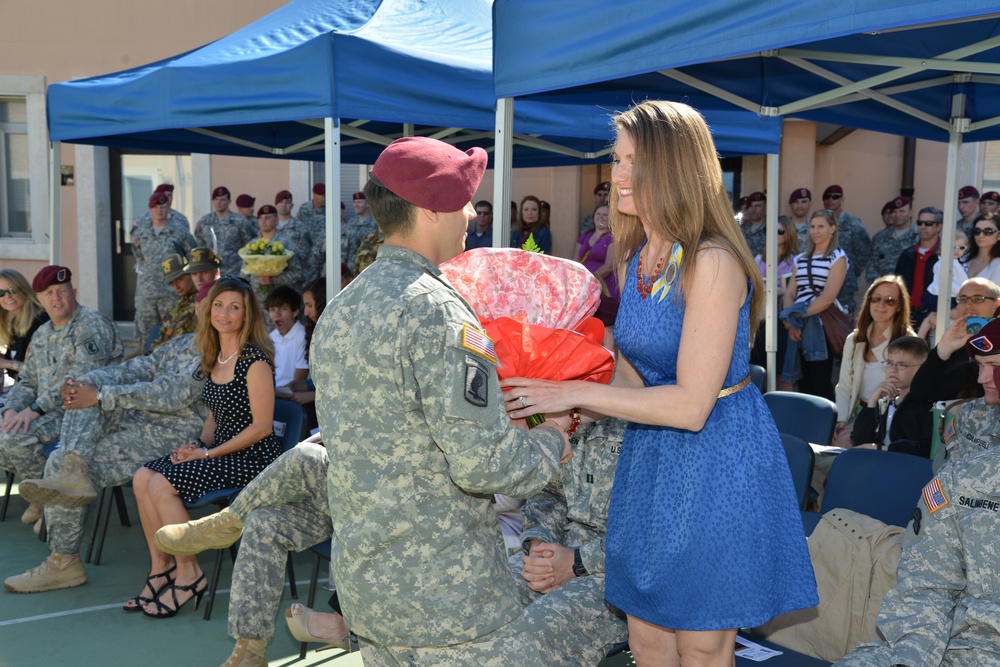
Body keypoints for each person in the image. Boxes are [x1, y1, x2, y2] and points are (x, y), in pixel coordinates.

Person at [504, 101, 817, 666]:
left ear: (673, 168)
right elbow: (631, 373)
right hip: (649, 455)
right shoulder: (635, 255)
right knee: (646, 636)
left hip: (715, 460)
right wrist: (559, 410)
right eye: (617, 160)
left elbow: (693, 404)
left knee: (700, 643)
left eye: (633, 163)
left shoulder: (714, 261)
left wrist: (573, 393)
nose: (617, 176)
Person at [310, 136, 571, 663]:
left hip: (370, 589)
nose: (471, 213)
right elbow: (482, 464)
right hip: (446, 600)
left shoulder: (340, 309)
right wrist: (553, 435)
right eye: (463, 199)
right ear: (430, 210)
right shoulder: (437, 312)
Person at [155, 419, 631, 667]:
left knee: (306, 462)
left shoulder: (550, 420)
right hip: (411, 508)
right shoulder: (490, 399)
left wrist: (569, 558)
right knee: (270, 517)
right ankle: (250, 643)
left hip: (458, 524)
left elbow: (516, 487)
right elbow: (546, 502)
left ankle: (343, 623)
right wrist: (539, 544)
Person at [835, 325, 1000, 666]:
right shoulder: (967, 467)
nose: (983, 378)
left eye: (994, 367)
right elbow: (930, 581)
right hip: (957, 641)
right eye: (980, 366)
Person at [4, 330, 206, 593]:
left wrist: (101, 395)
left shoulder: (220, 350)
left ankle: (64, 555)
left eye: (227, 305)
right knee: (66, 443)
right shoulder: (186, 339)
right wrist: (88, 382)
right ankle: (72, 477)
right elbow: (144, 365)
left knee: (61, 453)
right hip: (141, 418)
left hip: (177, 435)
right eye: (211, 304)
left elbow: (174, 394)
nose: (214, 311)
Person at [128, 276, 280, 618]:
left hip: (253, 458)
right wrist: (195, 447)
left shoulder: (254, 362)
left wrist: (207, 454)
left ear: (246, 315)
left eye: (234, 307)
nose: (224, 313)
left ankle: (189, 574)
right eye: (219, 305)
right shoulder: (214, 357)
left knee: (162, 484)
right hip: (219, 451)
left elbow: (261, 428)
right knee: (142, 476)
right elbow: (212, 420)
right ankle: (160, 567)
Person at [0, 266, 124, 528]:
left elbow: (80, 379)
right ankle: (46, 497)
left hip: (89, 413)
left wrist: (34, 409)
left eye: (61, 291)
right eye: (48, 294)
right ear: (40, 299)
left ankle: (46, 497)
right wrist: (11, 409)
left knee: (15, 439)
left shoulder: (91, 325)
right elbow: (28, 380)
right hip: (53, 413)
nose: (56, 298)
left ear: (73, 292)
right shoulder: (43, 333)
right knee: (5, 431)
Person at [782, 208, 849, 400]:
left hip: (820, 325)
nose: (815, 231)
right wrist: (790, 321)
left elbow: (827, 298)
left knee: (820, 381)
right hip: (798, 322)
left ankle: (825, 427)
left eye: (821, 226)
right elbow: (790, 293)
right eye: (812, 226)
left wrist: (795, 317)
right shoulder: (800, 258)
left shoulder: (838, 257)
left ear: (832, 229)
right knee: (801, 382)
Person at [835, 275, 914, 427]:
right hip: (857, 413)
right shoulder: (854, 339)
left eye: (890, 300)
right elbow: (844, 388)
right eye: (876, 298)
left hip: (892, 418)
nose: (881, 305)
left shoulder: (909, 341)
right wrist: (841, 420)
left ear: (899, 307)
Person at [909, 277, 1000, 405]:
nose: (968, 305)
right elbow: (921, 395)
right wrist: (943, 349)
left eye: (978, 298)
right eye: (962, 299)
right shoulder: (955, 346)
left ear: (997, 304)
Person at [848, 336, 931, 457]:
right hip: (877, 462)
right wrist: (871, 402)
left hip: (904, 468)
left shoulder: (927, 404)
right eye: (890, 363)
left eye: (902, 365)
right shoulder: (885, 400)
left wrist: (882, 449)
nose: (893, 370)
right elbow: (860, 441)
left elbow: (926, 448)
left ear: (922, 368)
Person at [131, 192, 196, 345]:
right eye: (156, 207)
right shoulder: (140, 233)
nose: (159, 210)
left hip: (172, 291)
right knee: (147, 335)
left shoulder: (180, 231)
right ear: (150, 209)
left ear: (168, 208)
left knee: (173, 333)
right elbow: (139, 257)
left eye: (163, 207)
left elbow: (192, 255)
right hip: (147, 292)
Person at [750, 215, 799, 381]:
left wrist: (777, 290)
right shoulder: (759, 258)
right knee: (760, 367)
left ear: (789, 233)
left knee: (781, 372)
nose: (775, 235)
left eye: (779, 231)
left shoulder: (796, 260)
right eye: (770, 231)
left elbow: (793, 291)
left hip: (784, 321)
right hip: (762, 320)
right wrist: (779, 290)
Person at [821, 185, 871, 316]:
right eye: (827, 197)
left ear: (842, 200)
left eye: (835, 197)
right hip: (819, 281)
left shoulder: (854, 224)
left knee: (843, 322)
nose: (831, 200)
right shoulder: (816, 224)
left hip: (845, 285)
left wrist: (850, 271)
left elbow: (864, 253)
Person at [194, 186, 258, 277]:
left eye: (222, 200)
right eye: (216, 199)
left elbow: (249, 246)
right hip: (211, 272)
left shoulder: (240, 221)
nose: (219, 203)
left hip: (235, 271)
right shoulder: (204, 222)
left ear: (229, 201)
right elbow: (200, 245)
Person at [919, 226, 969, 340]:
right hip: (941, 294)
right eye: (953, 247)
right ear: (943, 247)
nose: (957, 250)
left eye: (961, 247)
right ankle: (920, 338)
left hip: (954, 295)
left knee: (947, 317)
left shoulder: (958, 262)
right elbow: (947, 283)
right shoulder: (942, 264)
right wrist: (963, 292)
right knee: (932, 316)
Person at [895, 206, 942, 323]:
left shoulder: (945, 256)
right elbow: (896, 286)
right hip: (907, 315)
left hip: (934, 317)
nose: (923, 227)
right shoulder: (907, 255)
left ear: (939, 227)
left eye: (929, 223)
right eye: (920, 223)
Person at [0, 268, 48, 382]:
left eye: (12, 290)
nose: (7, 296)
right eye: (1, 293)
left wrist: (8, 363)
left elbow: (45, 370)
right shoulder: (15, 324)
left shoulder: (42, 321)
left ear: (24, 290)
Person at [150, 254, 198, 350]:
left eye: (179, 279)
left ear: (191, 274)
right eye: (171, 283)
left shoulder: (202, 303)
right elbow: (163, 337)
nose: (176, 287)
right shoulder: (174, 308)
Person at [264, 286, 308, 391]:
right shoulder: (271, 337)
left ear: (295, 312)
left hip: (292, 395)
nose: (277, 313)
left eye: (283, 309)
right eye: (272, 309)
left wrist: (277, 392)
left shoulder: (303, 336)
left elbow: (300, 380)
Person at [867, 196, 917, 285]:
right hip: (883, 289)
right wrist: (879, 285)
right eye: (894, 211)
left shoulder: (918, 236)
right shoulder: (880, 237)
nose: (897, 215)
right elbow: (872, 265)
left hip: (909, 290)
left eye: (902, 211)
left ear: (910, 213)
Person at [574, 203, 619, 301]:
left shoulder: (613, 238)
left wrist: (590, 279)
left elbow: (609, 267)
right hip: (584, 286)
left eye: (605, 215)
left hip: (604, 285)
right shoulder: (585, 236)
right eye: (598, 214)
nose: (601, 217)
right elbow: (575, 262)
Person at [342, 191, 377, 267]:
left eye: (359, 202)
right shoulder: (351, 223)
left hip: (366, 267)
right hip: (350, 268)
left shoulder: (375, 224)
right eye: (354, 202)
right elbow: (345, 248)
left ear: (368, 204)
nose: (356, 205)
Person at [965, 212, 1000, 284]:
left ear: (999, 235)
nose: (981, 235)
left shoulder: (998, 264)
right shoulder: (963, 259)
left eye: (988, 231)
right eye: (977, 231)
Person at [740, 191, 767, 257]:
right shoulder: (742, 229)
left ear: (766, 207)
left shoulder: (772, 229)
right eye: (750, 206)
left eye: (757, 206)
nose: (753, 210)